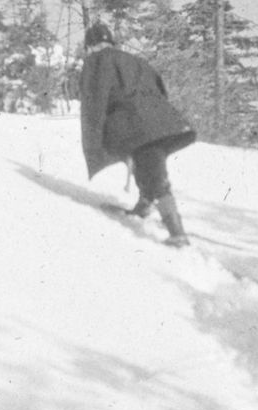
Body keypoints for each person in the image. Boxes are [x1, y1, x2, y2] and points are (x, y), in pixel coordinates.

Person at [79, 21, 196, 246]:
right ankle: (144, 205)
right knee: (148, 162)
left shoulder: (97, 61)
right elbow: (161, 89)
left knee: (153, 171)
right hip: (164, 121)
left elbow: (94, 101)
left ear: (91, 45)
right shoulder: (137, 61)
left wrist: (95, 141)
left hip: (135, 124)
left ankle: (177, 232)